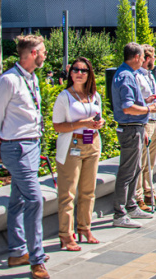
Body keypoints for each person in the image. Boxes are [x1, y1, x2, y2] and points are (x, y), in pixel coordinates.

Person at [0, 35, 51, 279]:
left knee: (18, 200)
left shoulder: (31, 78)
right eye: (43, 51)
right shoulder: (9, 80)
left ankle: (16, 252)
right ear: (33, 53)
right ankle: (36, 260)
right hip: (16, 148)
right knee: (35, 199)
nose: (45, 54)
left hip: (31, 145)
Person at [52, 57, 105, 251]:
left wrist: (99, 123)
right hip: (72, 144)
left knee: (88, 191)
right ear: (70, 73)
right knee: (68, 193)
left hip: (92, 143)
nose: (79, 73)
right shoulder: (64, 97)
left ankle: (85, 228)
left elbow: (99, 116)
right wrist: (83, 123)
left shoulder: (94, 95)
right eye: (75, 70)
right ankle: (66, 235)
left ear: (90, 74)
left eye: (84, 70)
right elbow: (57, 126)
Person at [111, 42, 156, 228]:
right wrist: (148, 108)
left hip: (135, 127)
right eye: (142, 57)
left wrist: (145, 102)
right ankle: (120, 213)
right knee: (127, 171)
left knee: (136, 169)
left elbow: (131, 103)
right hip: (130, 128)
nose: (143, 61)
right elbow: (127, 107)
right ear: (137, 57)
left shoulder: (128, 74)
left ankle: (131, 206)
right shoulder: (126, 76)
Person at [135, 45, 156, 211]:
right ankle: (138, 197)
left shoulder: (150, 76)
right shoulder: (137, 77)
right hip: (145, 121)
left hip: (154, 122)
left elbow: (155, 102)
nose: (155, 60)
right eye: (154, 57)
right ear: (147, 59)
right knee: (141, 162)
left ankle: (149, 193)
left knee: (151, 162)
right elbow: (137, 102)